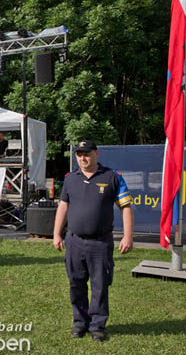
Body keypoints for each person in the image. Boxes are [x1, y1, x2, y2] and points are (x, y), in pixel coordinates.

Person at [52, 140, 133, 342]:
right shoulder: (70, 179)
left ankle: (97, 325)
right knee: (76, 284)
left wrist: (128, 236)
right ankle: (79, 323)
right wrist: (56, 234)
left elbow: (126, 207)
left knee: (99, 285)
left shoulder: (112, 177)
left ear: (96, 153)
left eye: (86, 154)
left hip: (100, 243)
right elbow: (63, 207)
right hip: (74, 241)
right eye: (79, 154)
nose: (82, 158)